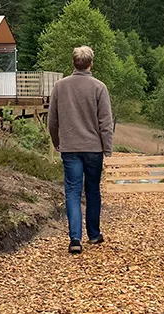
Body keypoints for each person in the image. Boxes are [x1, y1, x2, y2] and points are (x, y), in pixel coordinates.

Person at [47, 46, 114, 254]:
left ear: (73, 63)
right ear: (91, 63)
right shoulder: (99, 87)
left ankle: (75, 238)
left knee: (73, 191)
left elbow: (53, 121)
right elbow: (106, 121)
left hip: (70, 147)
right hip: (93, 148)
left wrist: (57, 141)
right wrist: (107, 148)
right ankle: (93, 234)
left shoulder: (60, 86)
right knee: (92, 189)